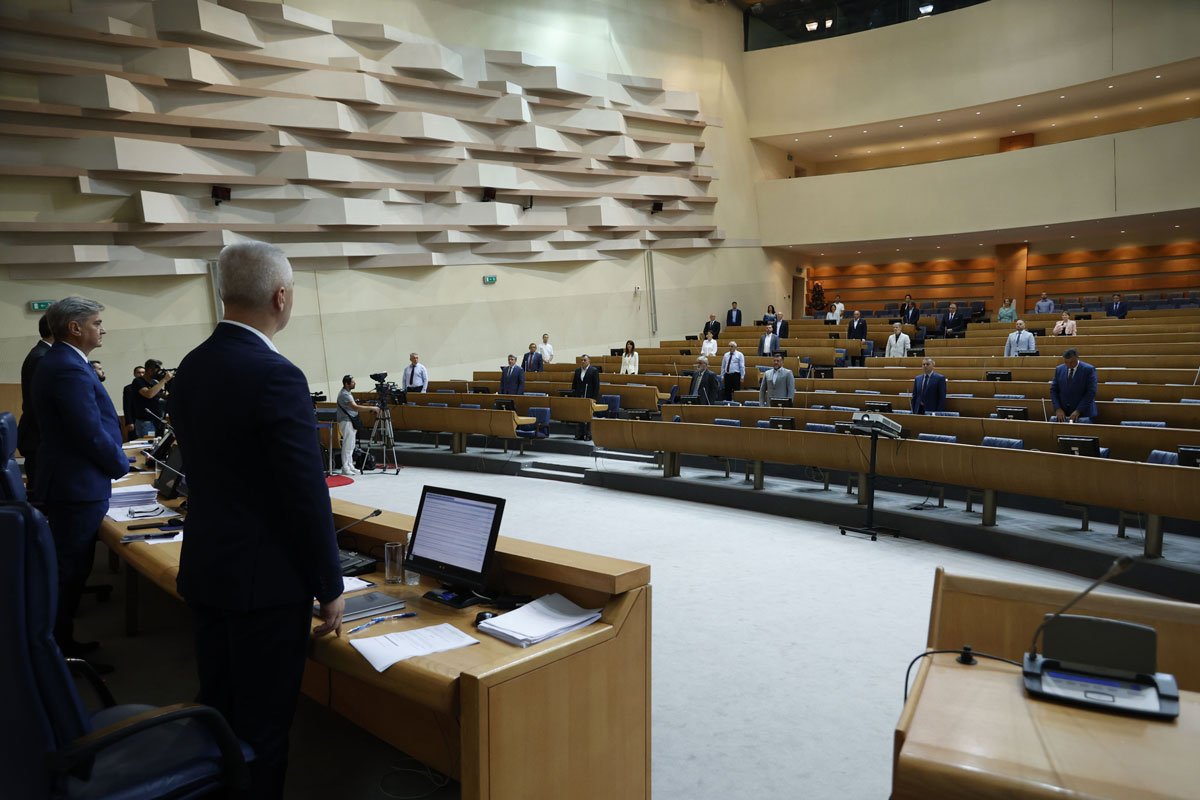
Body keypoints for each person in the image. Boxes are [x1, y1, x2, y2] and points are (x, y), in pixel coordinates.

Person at [168, 242, 343, 799]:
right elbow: (304, 494)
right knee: (264, 734)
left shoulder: (191, 366)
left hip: (207, 570)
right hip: (263, 588)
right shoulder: (276, 374)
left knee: (219, 714)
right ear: (281, 296)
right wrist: (329, 584)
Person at [31, 297, 127, 667]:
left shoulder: (62, 361)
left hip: (72, 480)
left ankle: (61, 644)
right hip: (76, 486)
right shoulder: (68, 367)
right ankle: (58, 654)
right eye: (97, 322)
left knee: (72, 569)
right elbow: (88, 431)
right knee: (70, 572)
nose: (102, 329)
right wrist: (120, 466)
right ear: (75, 328)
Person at [17, 313, 53, 489]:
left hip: (39, 438)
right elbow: (39, 403)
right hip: (39, 439)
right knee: (41, 494)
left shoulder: (43, 353)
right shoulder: (42, 357)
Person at [336, 375, 372, 476]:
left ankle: (350, 464)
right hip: (346, 421)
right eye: (352, 382)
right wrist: (371, 408)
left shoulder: (347, 393)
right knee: (347, 445)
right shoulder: (344, 394)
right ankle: (345, 467)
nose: (354, 383)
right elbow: (355, 408)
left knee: (351, 445)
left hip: (350, 421)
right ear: (346, 384)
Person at [1050, 348, 1098, 423]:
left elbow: (1091, 392)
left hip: (1084, 413)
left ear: (1077, 358)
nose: (1069, 365)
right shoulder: (1059, 369)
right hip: (1064, 413)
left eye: (1072, 362)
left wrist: (1078, 410)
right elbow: (1053, 390)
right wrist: (1058, 408)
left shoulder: (1089, 370)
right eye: (1066, 362)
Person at [132, 358, 173, 437]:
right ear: (150, 370)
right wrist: (164, 380)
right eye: (158, 371)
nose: (159, 373)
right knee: (148, 446)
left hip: (157, 420)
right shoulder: (138, 381)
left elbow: (164, 396)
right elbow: (149, 394)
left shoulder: (154, 382)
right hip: (145, 422)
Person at [570, 354, 601, 440]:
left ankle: (588, 435)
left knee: (588, 416)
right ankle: (580, 434)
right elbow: (574, 385)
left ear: (589, 361)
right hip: (579, 396)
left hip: (589, 396)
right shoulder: (577, 371)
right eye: (582, 360)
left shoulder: (594, 370)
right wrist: (574, 396)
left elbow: (596, 386)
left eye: (584, 360)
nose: (583, 361)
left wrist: (594, 398)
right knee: (580, 416)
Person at [121, 365, 145, 440]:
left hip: (148, 419)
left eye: (143, 373)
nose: (141, 374)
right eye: (138, 372)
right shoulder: (128, 388)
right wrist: (129, 422)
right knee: (134, 439)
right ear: (134, 374)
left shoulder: (150, 387)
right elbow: (127, 406)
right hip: (134, 419)